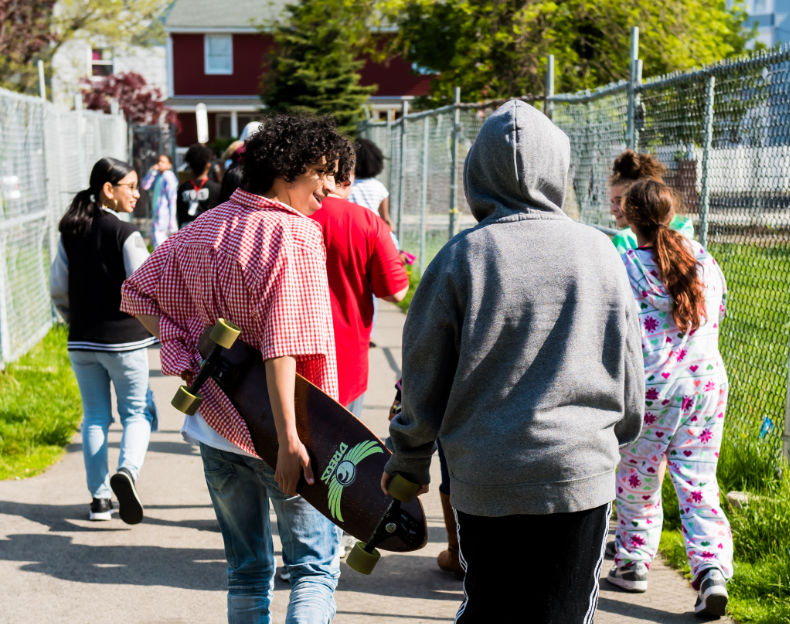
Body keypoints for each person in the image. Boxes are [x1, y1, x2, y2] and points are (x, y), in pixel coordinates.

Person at [382, 99, 645, 623]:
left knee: (490, 606)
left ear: (475, 174)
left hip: (485, 475)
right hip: (577, 472)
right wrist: (617, 435)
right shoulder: (600, 254)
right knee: (564, 611)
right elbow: (629, 369)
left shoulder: (460, 259)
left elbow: (422, 377)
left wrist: (408, 461)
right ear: (559, 169)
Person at [120, 113, 351, 624]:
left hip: (215, 429)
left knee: (245, 572)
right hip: (285, 435)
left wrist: (188, 352)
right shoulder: (294, 236)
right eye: (323, 172)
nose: (331, 187)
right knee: (313, 571)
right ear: (289, 168)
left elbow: (135, 292)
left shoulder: (207, 225)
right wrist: (290, 439)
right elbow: (282, 343)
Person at [606, 179, 732, 618]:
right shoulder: (703, 258)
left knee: (639, 476)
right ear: (670, 212)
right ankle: (712, 570)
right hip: (706, 386)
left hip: (652, 390)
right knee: (698, 482)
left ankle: (633, 562)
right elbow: (716, 312)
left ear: (630, 216)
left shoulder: (623, 266)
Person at [50, 157, 158, 525]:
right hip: (124, 341)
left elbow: (57, 288)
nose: (137, 192)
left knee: (95, 418)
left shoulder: (70, 230)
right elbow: (144, 286)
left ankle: (99, 501)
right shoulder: (125, 233)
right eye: (130, 185)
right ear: (108, 189)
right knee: (137, 413)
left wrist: (74, 320)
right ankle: (126, 473)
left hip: (81, 341)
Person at [311, 156, 409, 418]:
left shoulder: (287, 215)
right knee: (338, 450)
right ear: (347, 179)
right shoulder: (365, 221)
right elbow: (396, 292)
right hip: (345, 361)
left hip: (282, 362)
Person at [609, 150, 694, 253]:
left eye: (620, 201)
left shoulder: (624, 240)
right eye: (612, 202)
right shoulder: (684, 228)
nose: (612, 209)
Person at [176, 143, 221, 228]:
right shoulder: (216, 188)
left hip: (187, 231)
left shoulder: (182, 188)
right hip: (208, 230)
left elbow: (180, 214)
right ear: (208, 165)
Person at [141, 153, 178, 248]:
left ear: (169, 165)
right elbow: (145, 186)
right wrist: (152, 171)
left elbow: (172, 198)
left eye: (163, 162)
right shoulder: (158, 176)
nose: (160, 164)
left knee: (160, 242)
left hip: (164, 214)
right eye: (159, 161)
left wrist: (172, 221)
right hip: (157, 213)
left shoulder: (169, 176)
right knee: (157, 241)